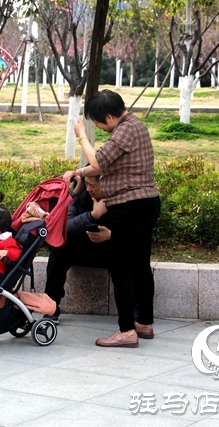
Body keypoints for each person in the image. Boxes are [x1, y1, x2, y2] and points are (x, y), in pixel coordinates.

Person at [64, 89, 161, 348]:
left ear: (109, 116)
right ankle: (144, 323)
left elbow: (99, 158)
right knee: (139, 265)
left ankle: (127, 330)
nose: (97, 126)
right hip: (145, 204)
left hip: (132, 206)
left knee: (122, 268)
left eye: (97, 122)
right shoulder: (132, 126)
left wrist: (82, 136)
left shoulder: (126, 130)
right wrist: (79, 172)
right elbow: (100, 166)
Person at [43, 174, 112, 323]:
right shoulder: (82, 193)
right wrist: (93, 215)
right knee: (59, 246)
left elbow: (134, 232)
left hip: (110, 250)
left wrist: (111, 236)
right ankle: (52, 306)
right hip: (82, 248)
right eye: (87, 184)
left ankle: (136, 309)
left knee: (134, 252)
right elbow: (66, 225)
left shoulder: (123, 196)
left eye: (93, 185)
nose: (89, 189)